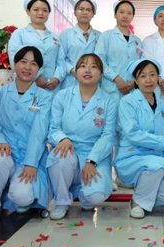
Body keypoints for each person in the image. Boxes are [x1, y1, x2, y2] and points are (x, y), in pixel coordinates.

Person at [0, 46, 52, 223]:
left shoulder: (44, 97)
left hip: (30, 154)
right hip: (6, 149)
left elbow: (40, 132)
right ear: (15, 64)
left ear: (39, 69)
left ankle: (17, 194)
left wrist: (31, 163)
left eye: (33, 64)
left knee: (22, 197)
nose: (28, 67)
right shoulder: (0, 93)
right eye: (23, 62)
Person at [46, 53, 118, 220]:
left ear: (101, 74)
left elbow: (108, 136)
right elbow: (53, 128)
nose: (87, 70)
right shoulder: (62, 96)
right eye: (83, 66)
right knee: (60, 158)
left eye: (94, 67)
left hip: (94, 153)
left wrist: (92, 161)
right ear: (76, 72)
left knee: (95, 197)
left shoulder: (109, 101)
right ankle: (62, 201)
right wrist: (62, 139)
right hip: (68, 148)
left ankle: (83, 191)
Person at [115, 58, 164, 219]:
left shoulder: (162, 105)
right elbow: (133, 133)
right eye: (143, 76)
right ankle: (137, 202)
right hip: (131, 157)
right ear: (135, 80)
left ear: (158, 78)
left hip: (156, 158)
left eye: (152, 75)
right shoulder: (127, 102)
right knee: (157, 165)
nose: (148, 80)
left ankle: (144, 190)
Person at [8, 0, 66, 94]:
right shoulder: (19, 34)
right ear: (28, 12)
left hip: (52, 88)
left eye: (45, 10)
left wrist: (57, 78)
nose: (40, 13)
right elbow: (14, 58)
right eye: (36, 9)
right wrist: (36, 76)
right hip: (28, 84)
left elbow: (61, 61)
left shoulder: (55, 37)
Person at [94, 0, 144, 100]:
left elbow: (141, 64)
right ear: (115, 15)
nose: (125, 16)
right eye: (121, 12)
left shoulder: (137, 41)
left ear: (132, 17)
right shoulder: (106, 36)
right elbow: (99, 61)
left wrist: (134, 82)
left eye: (129, 13)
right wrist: (116, 78)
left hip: (132, 89)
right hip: (111, 88)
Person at [59, 0, 100, 90]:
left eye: (88, 10)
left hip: (93, 80)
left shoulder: (100, 36)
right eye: (81, 9)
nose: (84, 12)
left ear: (93, 14)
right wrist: (73, 71)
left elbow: (101, 60)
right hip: (71, 80)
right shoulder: (66, 34)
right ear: (74, 12)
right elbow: (61, 58)